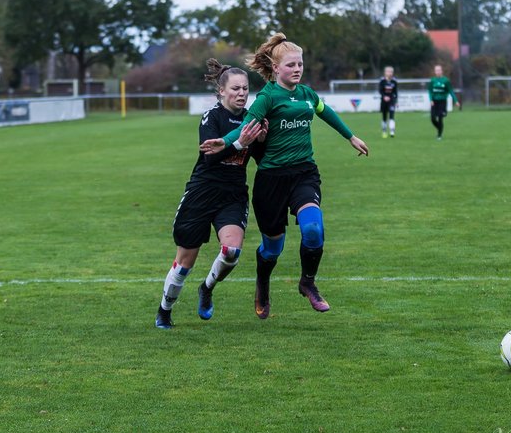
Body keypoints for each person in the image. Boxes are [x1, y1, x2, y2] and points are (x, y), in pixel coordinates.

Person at [201, 33, 369, 318]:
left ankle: (308, 283)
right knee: (273, 248)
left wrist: (350, 137)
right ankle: (263, 283)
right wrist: (225, 142)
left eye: (300, 64)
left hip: (304, 173)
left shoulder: (307, 95)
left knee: (314, 229)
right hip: (272, 180)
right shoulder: (267, 97)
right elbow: (246, 128)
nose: (297, 69)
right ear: (276, 69)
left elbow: (325, 112)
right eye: (291, 65)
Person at [155, 60, 266, 330]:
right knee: (184, 262)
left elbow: (260, 160)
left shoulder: (253, 118)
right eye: (236, 89)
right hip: (202, 194)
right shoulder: (212, 117)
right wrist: (240, 142)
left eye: (246, 89)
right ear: (222, 91)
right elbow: (209, 160)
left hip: (233, 196)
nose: (242, 93)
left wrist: (261, 142)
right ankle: (165, 310)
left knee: (231, 252)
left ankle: (206, 288)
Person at [428, 64, 458, 140]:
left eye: (439, 70)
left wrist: (456, 101)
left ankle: (439, 135)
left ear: (441, 71)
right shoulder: (432, 80)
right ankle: (439, 128)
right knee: (432, 118)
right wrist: (431, 99)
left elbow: (451, 91)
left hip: (442, 102)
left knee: (440, 118)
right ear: (434, 72)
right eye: (436, 70)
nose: (437, 72)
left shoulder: (446, 81)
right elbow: (430, 91)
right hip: (434, 102)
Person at [378, 66, 399, 138]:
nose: (390, 73)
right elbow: (380, 91)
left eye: (391, 72)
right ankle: (384, 131)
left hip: (391, 101)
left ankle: (392, 131)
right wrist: (384, 96)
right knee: (384, 117)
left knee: (392, 115)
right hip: (384, 101)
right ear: (385, 72)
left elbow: (396, 92)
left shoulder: (394, 81)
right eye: (388, 71)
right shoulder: (382, 81)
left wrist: (396, 101)